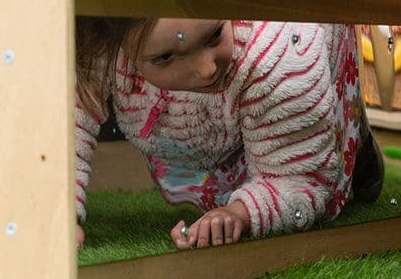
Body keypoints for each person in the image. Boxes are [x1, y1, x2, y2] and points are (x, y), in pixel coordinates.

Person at [75, 18, 383, 249]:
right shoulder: (103, 42)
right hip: (204, 133)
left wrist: (242, 214)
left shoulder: (277, 50)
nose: (208, 69)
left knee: (323, 137)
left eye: (213, 36)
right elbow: (66, 123)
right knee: (220, 187)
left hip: (295, 92)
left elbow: (298, 177)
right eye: (165, 57)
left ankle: (359, 146)